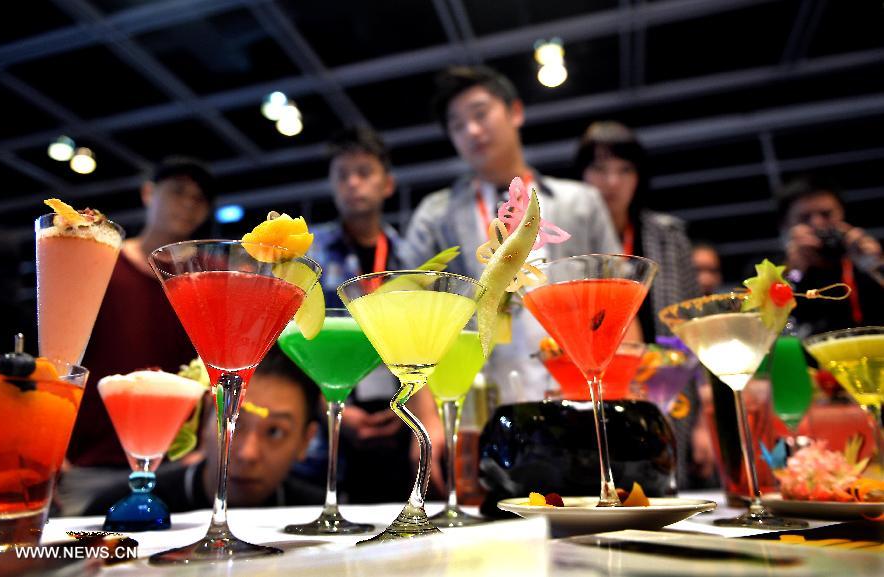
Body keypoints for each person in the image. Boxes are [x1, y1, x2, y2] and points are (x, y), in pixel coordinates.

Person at [401, 66, 620, 401]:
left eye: (480, 114)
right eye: (457, 126)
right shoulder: (435, 214)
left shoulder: (582, 202)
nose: (472, 131)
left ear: (515, 112)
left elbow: (620, 297)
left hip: (579, 390)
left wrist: (627, 387)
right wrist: (425, 410)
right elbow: (409, 311)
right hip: (477, 397)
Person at [60, 157, 215, 514]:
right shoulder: (103, 262)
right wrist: (55, 448)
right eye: (177, 191)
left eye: (199, 198)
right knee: (84, 561)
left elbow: (213, 364)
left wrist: (206, 445)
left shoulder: (204, 279)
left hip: (175, 461)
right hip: (89, 460)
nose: (189, 203)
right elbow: (64, 354)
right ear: (148, 192)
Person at [307, 127, 444, 502]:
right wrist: (330, 404)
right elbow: (300, 338)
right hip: (332, 412)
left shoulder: (409, 258)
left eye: (364, 172)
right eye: (342, 175)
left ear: (387, 184)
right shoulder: (311, 256)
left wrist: (425, 420)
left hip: (402, 410)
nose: (353, 183)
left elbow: (423, 340)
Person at [83, 347, 323, 514]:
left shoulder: (316, 513)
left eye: (275, 432)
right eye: (232, 421)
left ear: (305, 441)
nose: (248, 454)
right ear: (203, 421)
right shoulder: (115, 508)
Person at [575, 121, 700, 343]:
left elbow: (692, 315)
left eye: (625, 170)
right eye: (599, 169)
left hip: (664, 369)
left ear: (639, 176)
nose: (612, 182)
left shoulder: (669, 235)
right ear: (580, 175)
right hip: (594, 369)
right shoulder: (570, 238)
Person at [778, 175, 883, 335]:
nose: (817, 223)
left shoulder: (865, 258)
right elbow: (769, 323)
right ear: (786, 225)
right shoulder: (774, 268)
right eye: (804, 218)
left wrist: (875, 265)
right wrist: (794, 271)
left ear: (843, 214)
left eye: (826, 214)